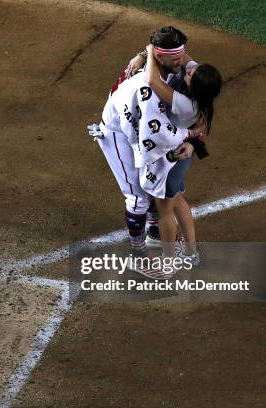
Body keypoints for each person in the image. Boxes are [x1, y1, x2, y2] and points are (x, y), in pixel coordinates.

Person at [88, 26, 200, 279]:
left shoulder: (173, 65)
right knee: (138, 195)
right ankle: (137, 255)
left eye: (182, 56)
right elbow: (139, 135)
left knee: (153, 187)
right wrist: (165, 153)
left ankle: (153, 232)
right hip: (119, 132)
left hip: (146, 128)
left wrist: (146, 51)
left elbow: (182, 63)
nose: (182, 63)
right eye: (176, 59)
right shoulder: (142, 90)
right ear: (159, 58)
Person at [142, 43, 222, 265]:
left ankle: (168, 261)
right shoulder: (202, 87)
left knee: (165, 208)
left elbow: (152, 81)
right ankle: (190, 252)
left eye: (189, 74)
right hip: (180, 154)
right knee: (177, 200)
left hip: (172, 159)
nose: (187, 70)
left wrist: (149, 51)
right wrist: (160, 50)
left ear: (194, 86)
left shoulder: (186, 104)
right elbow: (183, 56)